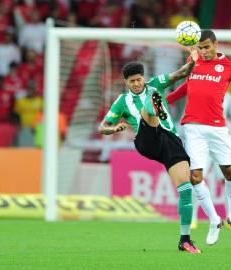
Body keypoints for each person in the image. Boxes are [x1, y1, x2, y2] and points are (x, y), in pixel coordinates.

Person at [99, 48, 201, 253]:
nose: (136, 84)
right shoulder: (122, 101)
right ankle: (154, 108)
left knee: (186, 189)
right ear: (126, 83)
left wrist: (194, 60)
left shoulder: (154, 82)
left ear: (143, 77)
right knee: (151, 102)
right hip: (146, 141)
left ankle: (185, 239)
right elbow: (102, 127)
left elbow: (181, 73)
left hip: (170, 140)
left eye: (139, 80)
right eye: (132, 81)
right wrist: (114, 128)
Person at [166, 30, 231, 245]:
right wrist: (164, 100)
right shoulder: (193, 61)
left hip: (217, 129)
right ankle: (213, 220)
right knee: (195, 177)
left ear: (216, 44)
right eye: (200, 47)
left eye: (207, 47)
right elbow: (186, 87)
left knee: (230, 173)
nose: (203, 51)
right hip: (193, 128)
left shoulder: (229, 67)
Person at [184, 92, 231, 229]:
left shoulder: (228, 97)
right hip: (203, 145)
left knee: (226, 179)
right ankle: (192, 217)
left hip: (220, 144)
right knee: (197, 179)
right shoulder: (198, 92)